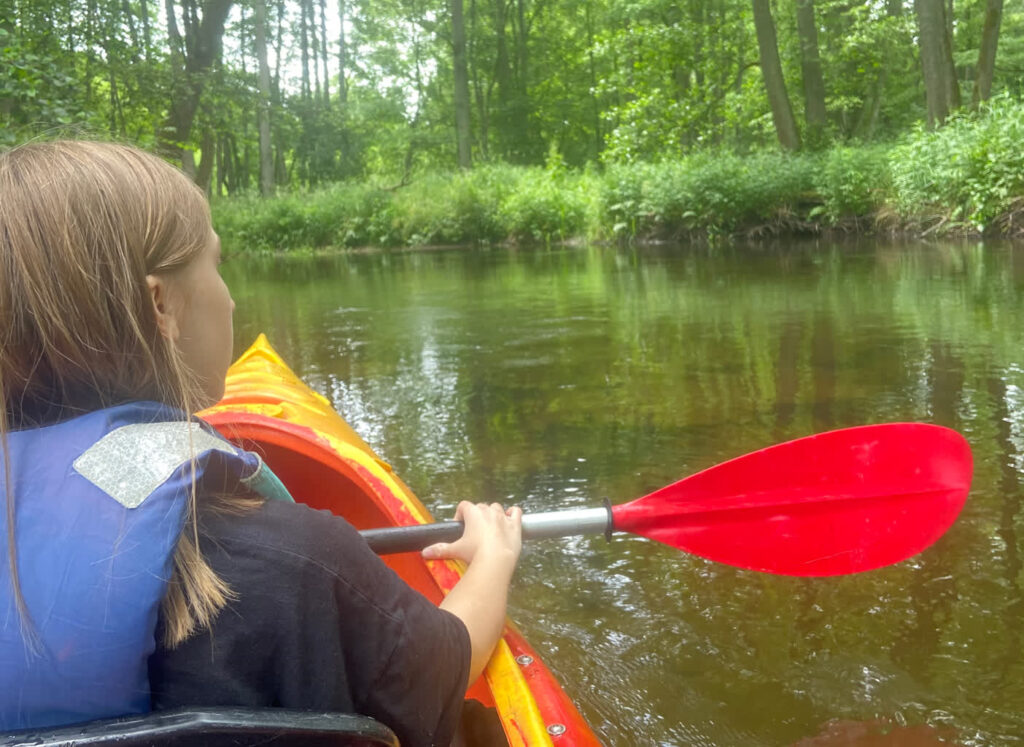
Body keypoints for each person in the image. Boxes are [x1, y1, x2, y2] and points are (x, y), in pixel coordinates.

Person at [0, 140, 523, 747]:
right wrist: (494, 557)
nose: (229, 296)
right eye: (217, 265)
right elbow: (448, 663)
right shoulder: (303, 561)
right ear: (160, 305)